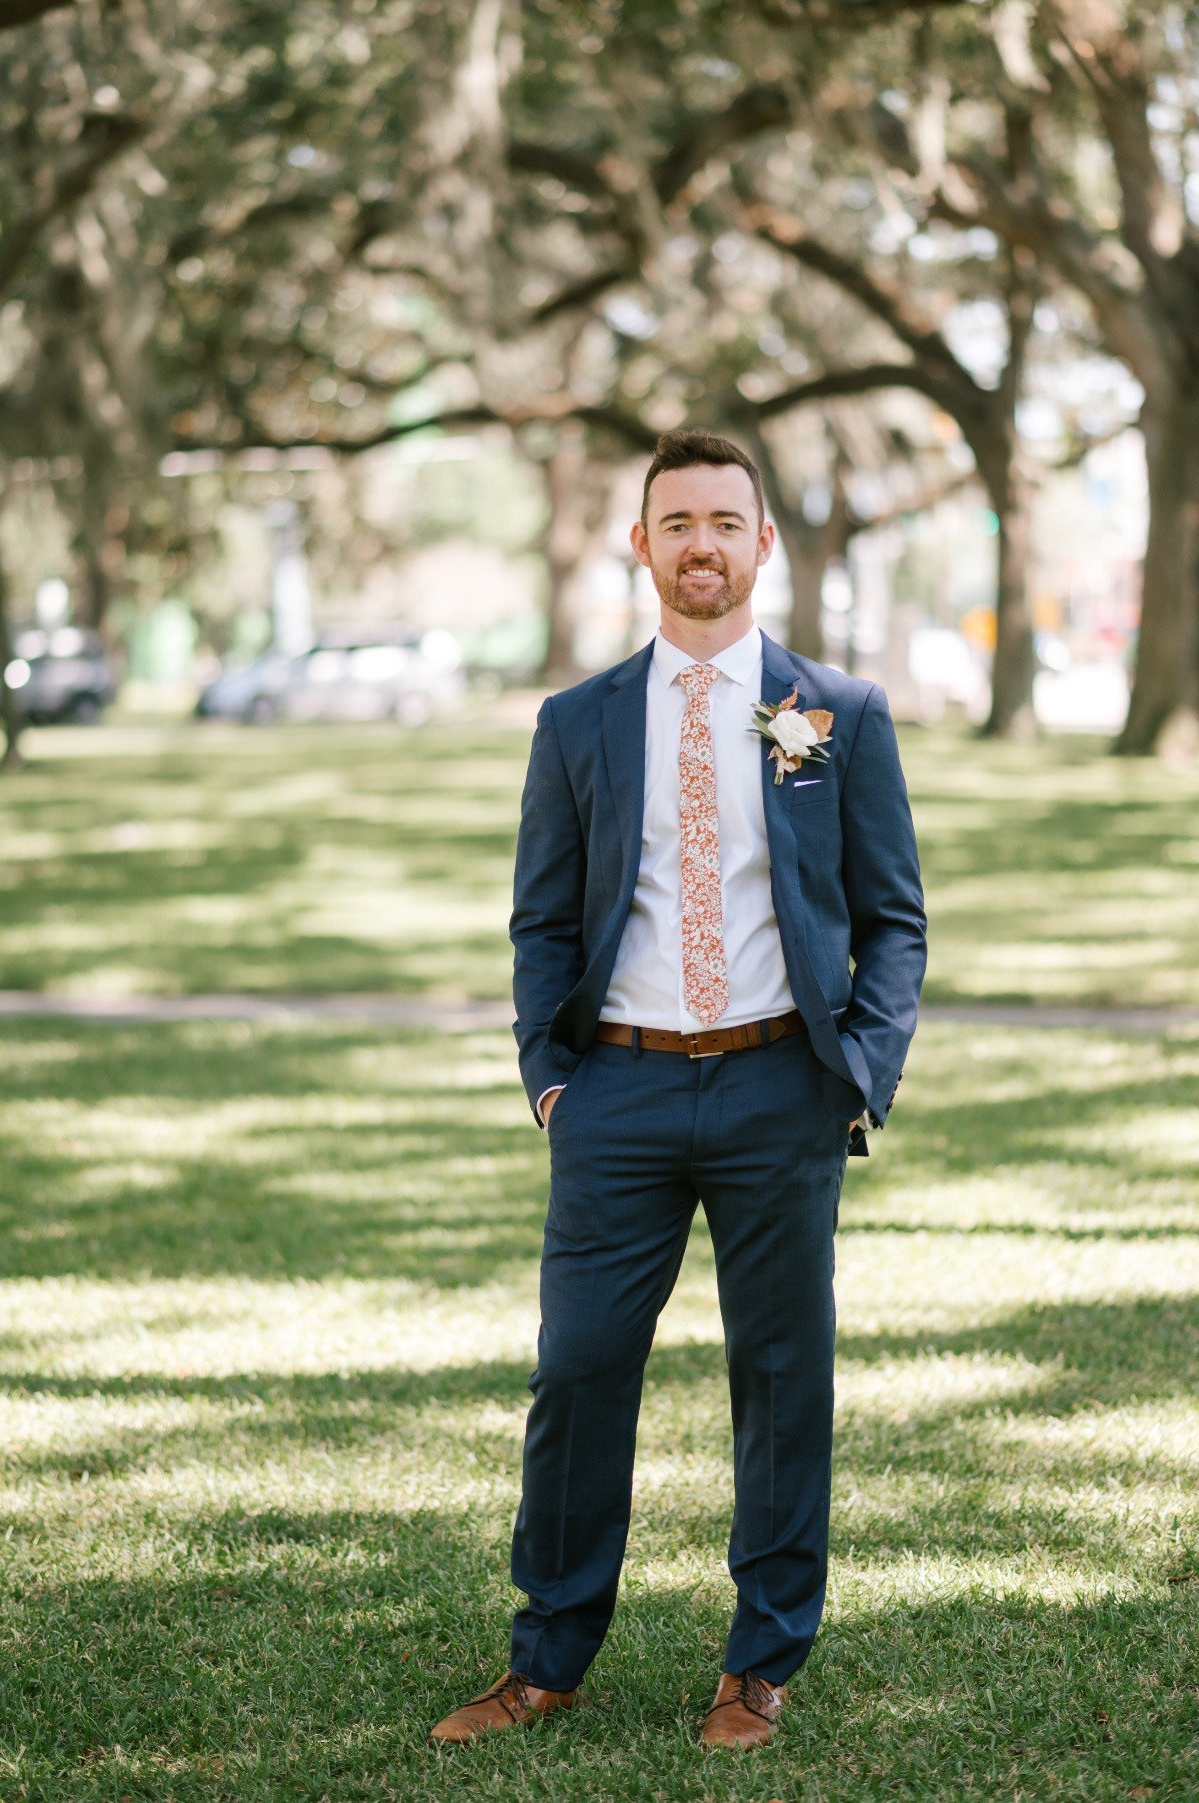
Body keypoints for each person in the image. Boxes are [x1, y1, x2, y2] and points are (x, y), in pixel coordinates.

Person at [430, 427, 927, 1751]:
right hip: (620, 1099)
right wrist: (552, 1083)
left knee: (782, 1375)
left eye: (724, 520)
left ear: (763, 543)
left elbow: (894, 916)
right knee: (580, 1371)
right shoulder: (581, 721)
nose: (701, 543)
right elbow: (541, 920)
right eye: (677, 522)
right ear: (640, 544)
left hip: (782, 1091)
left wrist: (860, 1075)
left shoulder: (831, 715)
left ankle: (759, 1666)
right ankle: (545, 1661)